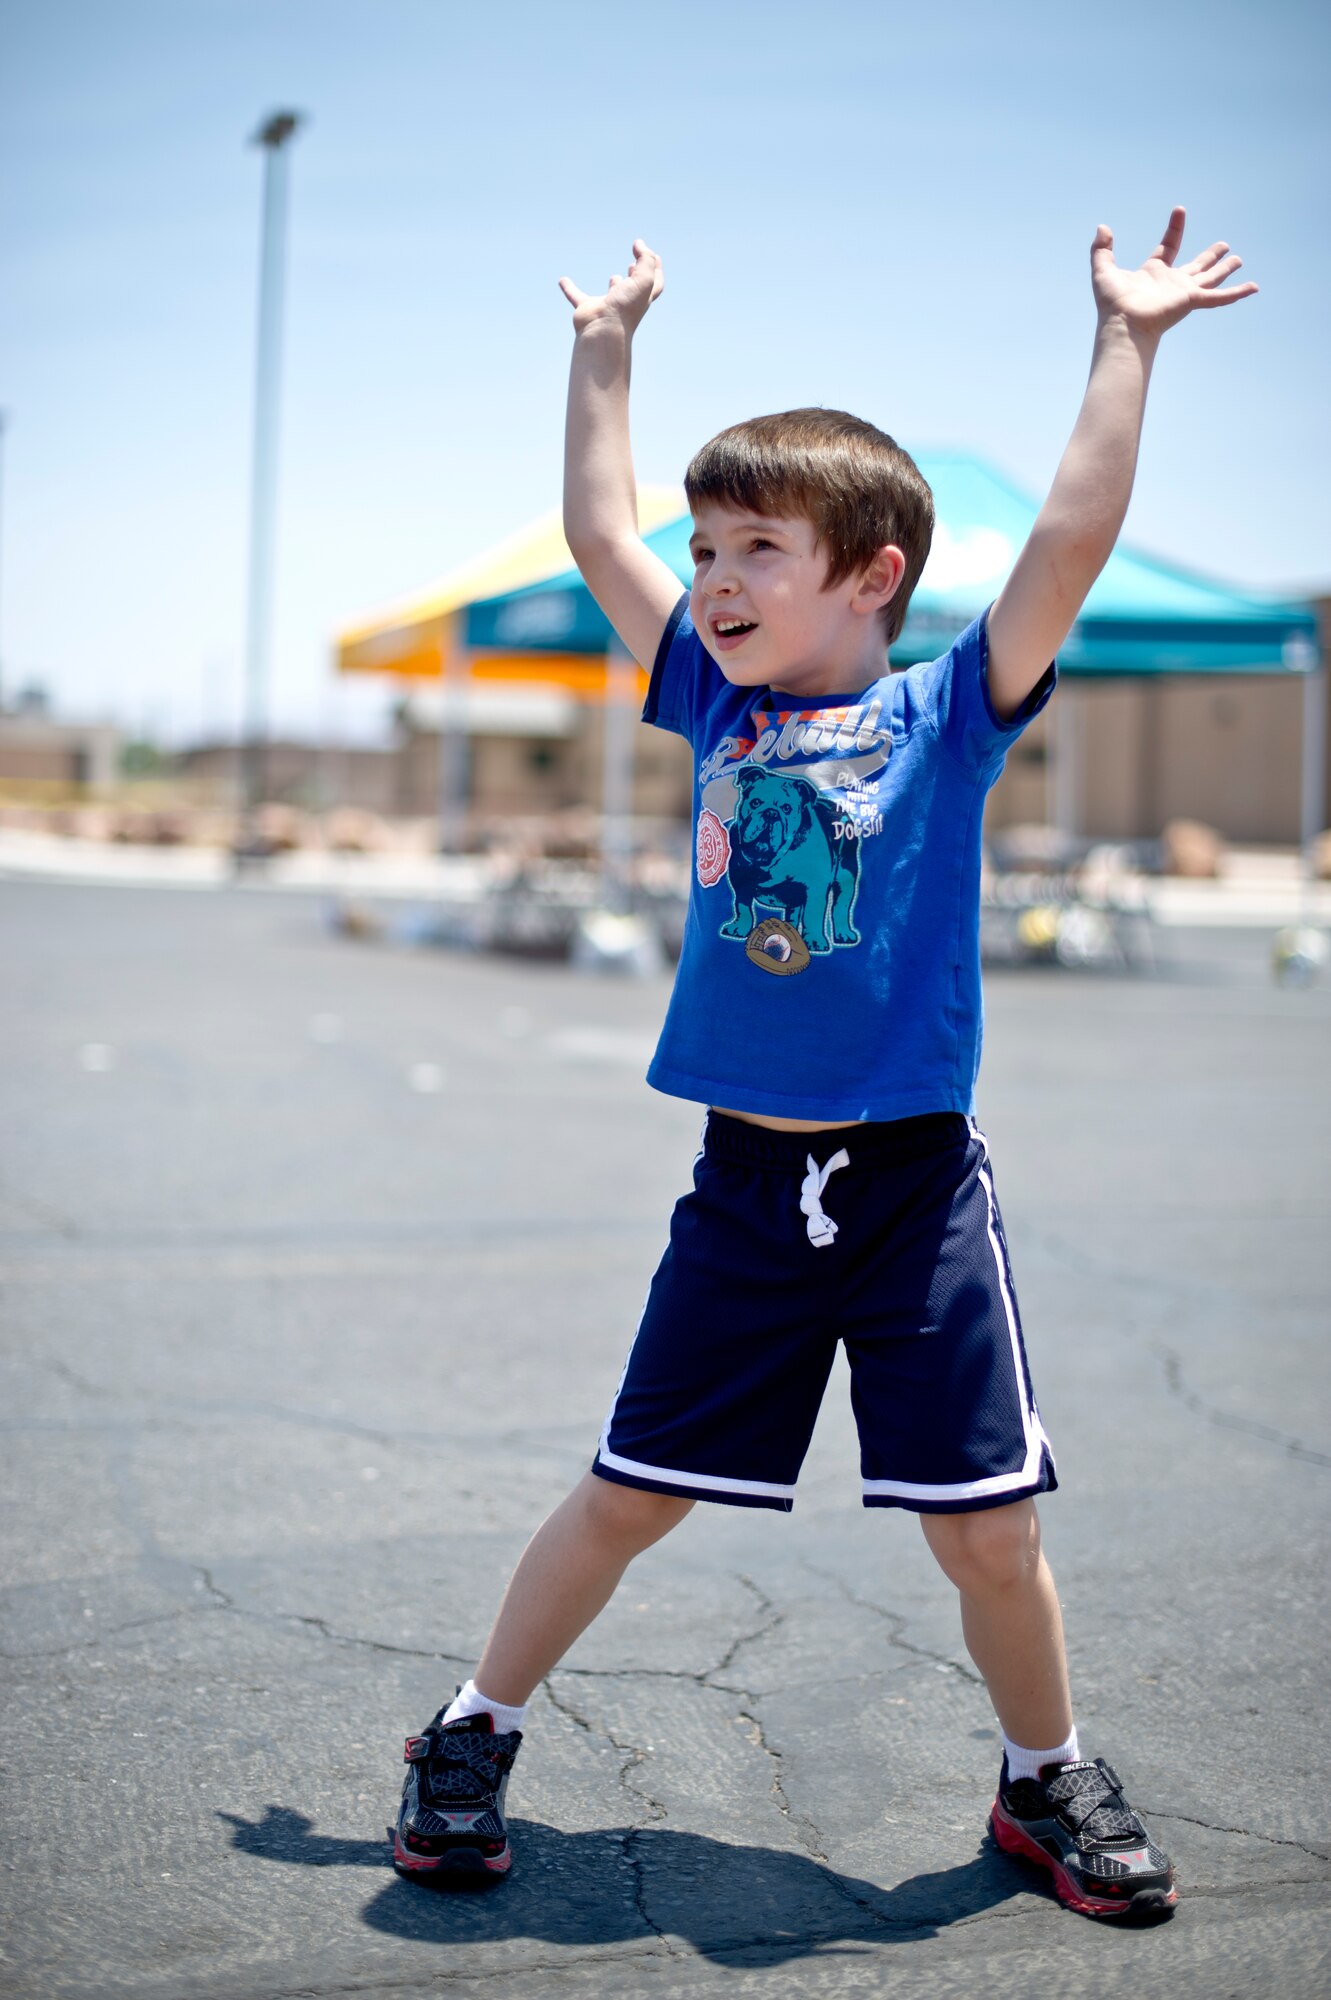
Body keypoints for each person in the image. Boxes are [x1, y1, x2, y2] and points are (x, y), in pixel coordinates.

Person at [392, 210, 1255, 1918]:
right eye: (705, 549)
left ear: (871, 576)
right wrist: (605, 352)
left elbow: (1071, 538)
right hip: (740, 1187)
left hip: (912, 1185)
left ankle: (1042, 1777)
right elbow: (593, 524)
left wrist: (1127, 342)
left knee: (989, 1529)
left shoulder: (948, 712)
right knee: (631, 1496)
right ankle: (467, 1730)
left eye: (756, 549)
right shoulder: (712, 709)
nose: (713, 579)